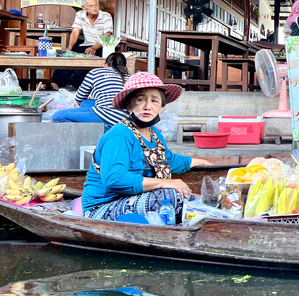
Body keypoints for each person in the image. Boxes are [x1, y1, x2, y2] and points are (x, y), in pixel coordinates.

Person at [82, 73, 212, 221]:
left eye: (154, 101)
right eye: (140, 100)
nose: (147, 106)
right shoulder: (120, 135)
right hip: (102, 208)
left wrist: (201, 162)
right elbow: (114, 178)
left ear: (161, 107)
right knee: (169, 196)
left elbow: (168, 160)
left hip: (132, 199)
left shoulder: (154, 134)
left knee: (200, 200)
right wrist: (166, 183)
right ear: (129, 105)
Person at [52, 53, 130, 131]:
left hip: (105, 116)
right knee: (86, 103)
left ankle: (89, 132)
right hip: (125, 119)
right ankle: (97, 129)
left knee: (57, 116)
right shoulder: (131, 77)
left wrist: (77, 105)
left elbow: (79, 98)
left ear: (105, 65)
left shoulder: (95, 73)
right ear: (125, 67)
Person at [52, 0, 114, 90]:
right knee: (68, 54)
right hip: (86, 45)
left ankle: (73, 85)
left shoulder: (106, 16)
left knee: (88, 57)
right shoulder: (80, 14)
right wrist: (69, 47)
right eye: (91, 6)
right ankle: (56, 83)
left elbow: (107, 35)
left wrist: (94, 48)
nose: (95, 8)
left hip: (102, 46)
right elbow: (75, 31)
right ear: (83, 7)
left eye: (96, 5)